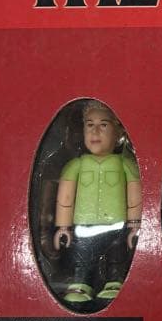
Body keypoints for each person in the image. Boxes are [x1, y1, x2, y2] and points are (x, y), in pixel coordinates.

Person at [54, 100, 142, 306]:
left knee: (116, 255)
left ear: (118, 133)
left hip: (117, 226)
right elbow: (65, 199)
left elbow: (134, 196)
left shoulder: (126, 165)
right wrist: (63, 227)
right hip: (83, 226)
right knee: (83, 256)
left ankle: (114, 281)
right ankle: (81, 282)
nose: (95, 132)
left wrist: (134, 225)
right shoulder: (75, 166)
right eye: (89, 125)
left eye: (103, 125)